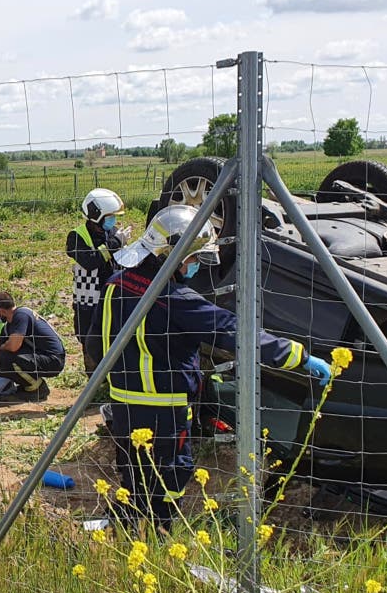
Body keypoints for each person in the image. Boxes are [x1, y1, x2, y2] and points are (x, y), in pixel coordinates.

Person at [87, 205, 333, 530]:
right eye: (191, 259)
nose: (193, 268)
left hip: (122, 404)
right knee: (171, 474)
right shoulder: (175, 299)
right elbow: (236, 332)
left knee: (135, 470)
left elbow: (93, 343)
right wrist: (297, 356)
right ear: (170, 255)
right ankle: (158, 533)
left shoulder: (117, 283)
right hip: (165, 410)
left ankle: (127, 525)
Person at [67, 188, 132, 375]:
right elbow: (90, 261)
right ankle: (94, 380)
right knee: (89, 338)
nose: (113, 221)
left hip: (113, 294)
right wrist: (115, 243)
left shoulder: (112, 232)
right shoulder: (76, 236)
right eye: (110, 216)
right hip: (89, 299)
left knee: (114, 335)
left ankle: (114, 375)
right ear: (96, 215)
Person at [0, 291, 66, 400]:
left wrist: (3, 347)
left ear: (1, 311)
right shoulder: (8, 326)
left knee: (7, 357)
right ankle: (28, 385)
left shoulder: (21, 315)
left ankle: (37, 388)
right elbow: (0, 344)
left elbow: (13, 346)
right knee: (2, 356)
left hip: (53, 360)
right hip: (41, 356)